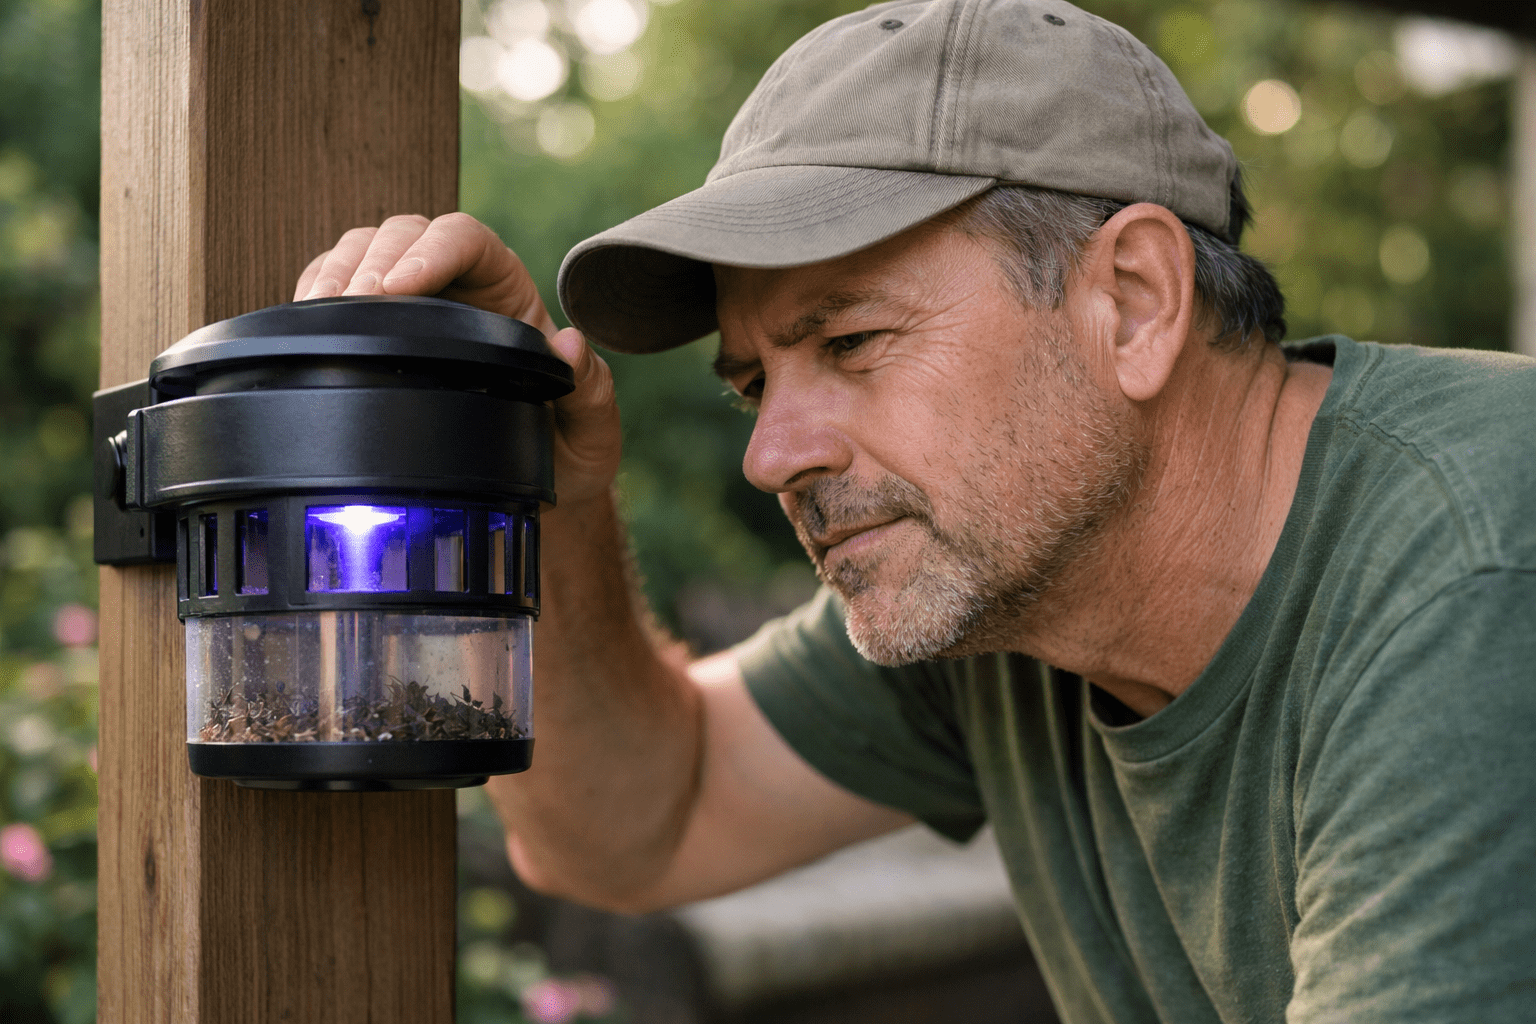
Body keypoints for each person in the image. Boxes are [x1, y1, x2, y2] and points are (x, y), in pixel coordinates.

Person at [295, 1, 1536, 1020]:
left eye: (852, 339)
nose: (772, 455)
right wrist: (546, 485)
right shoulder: (1013, 591)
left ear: (1138, 302)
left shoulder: (1475, 574)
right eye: (751, 385)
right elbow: (632, 825)